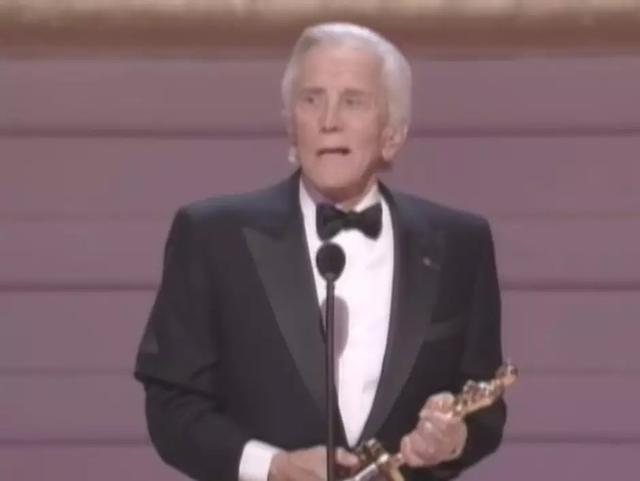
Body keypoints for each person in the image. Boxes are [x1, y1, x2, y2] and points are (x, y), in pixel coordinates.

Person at [134, 22, 506, 481]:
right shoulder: (212, 237)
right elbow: (172, 407)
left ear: (392, 134)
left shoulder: (459, 244)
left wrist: (451, 439)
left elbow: (487, 408)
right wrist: (272, 467)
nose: (329, 120)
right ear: (292, 126)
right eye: (312, 100)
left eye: (353, 101)